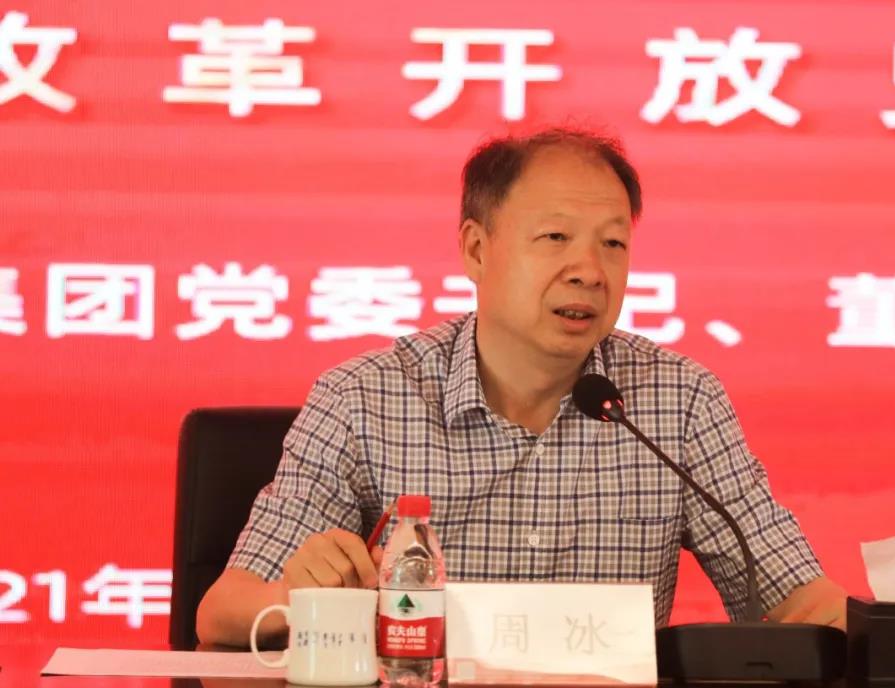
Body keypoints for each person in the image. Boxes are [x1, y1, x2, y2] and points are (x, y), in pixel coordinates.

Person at [197, 127, 847, 648]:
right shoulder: (364, 399)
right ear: (477, 250)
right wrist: (304, 597)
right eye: (556, 237)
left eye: (613, 244)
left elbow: (796, 598)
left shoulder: (680, 401)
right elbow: (225, 611)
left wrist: (880, 628)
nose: (589, 271)